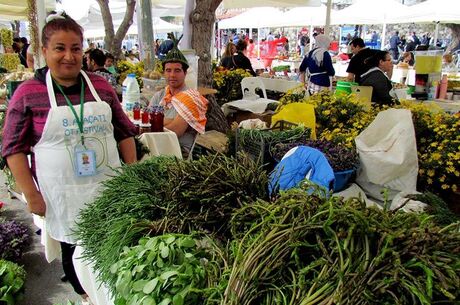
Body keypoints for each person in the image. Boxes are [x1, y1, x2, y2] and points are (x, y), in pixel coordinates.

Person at [1, 11, 137, 304]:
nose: (69, 56)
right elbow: (12, 149)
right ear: (43, 51)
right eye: (59, 48)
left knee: (114, 246)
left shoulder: (100, 87)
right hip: (62, 194)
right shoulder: (28, 93)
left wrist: (133, 174)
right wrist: (32, 194)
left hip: (108, 188)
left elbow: (124, 132)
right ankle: (85, 296)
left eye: (75, 48)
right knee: (74, 255)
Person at [149, 35, 208, 159]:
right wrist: (169, 121)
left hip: (179, 151)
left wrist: (157, 121)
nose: (172, 75)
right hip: (156, 145)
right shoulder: (159, 96)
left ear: (185, 73)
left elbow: (176, 131)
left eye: (177, 70)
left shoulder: (191, 98)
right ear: (164, 72)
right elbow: (147, 121)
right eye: (168, 70)